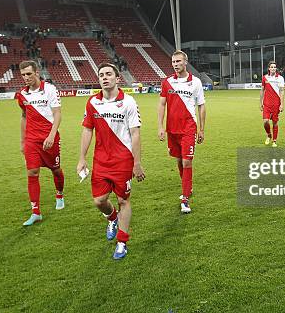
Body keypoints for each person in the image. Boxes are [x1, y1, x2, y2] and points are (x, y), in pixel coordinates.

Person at [77, 63, 145, 260]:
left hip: (123, 160)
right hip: (101, 161)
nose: (105, 77)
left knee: (124, 200)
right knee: (99, 201)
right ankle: (112, 218)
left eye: (108, 74)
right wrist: (82, 158)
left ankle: (122, 242)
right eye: (101, 75)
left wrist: (137, 162)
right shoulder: (92, 103)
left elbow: (135, 134)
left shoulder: (129, 102)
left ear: (117, 78)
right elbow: (87, 130)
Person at [16, 60, 65, 226]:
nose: (26, 77)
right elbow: (24, 116)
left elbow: (57, 114)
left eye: (29, 74)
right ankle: (35, 212)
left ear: (37, 72)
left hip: (49, 138)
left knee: (56, 170)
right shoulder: (22, 95)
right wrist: (23, 141)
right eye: (23, 75)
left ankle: (59, 195)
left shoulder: (49, 89)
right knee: (32, 173)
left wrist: (51, 136)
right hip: (31, 140)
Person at [157, 50, 206, 214]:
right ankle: (188, 185)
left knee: (186, 162)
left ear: (185, 62)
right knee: (179, 161)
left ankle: (185, 198)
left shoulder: (196, 82)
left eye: (178, 61)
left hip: (188, 128)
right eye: (173, 62)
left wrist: (201, 129)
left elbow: (201, 106)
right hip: (172, 129)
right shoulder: (167, 82)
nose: (175, 64)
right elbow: (162, 104)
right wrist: (160, 126)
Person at [260, 61, 285, 146]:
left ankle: (274, 141)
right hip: (266, 103)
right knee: (265, 121)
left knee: (275, 122)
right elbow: (262, 90)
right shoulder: (265, 78)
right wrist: (260, 103)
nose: (273, 68)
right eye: (272, 67)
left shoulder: (280, 78)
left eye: (275, 67)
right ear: (269, 68)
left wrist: (282, 104)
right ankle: (269, 135)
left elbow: (282, 91)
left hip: (276, 104)